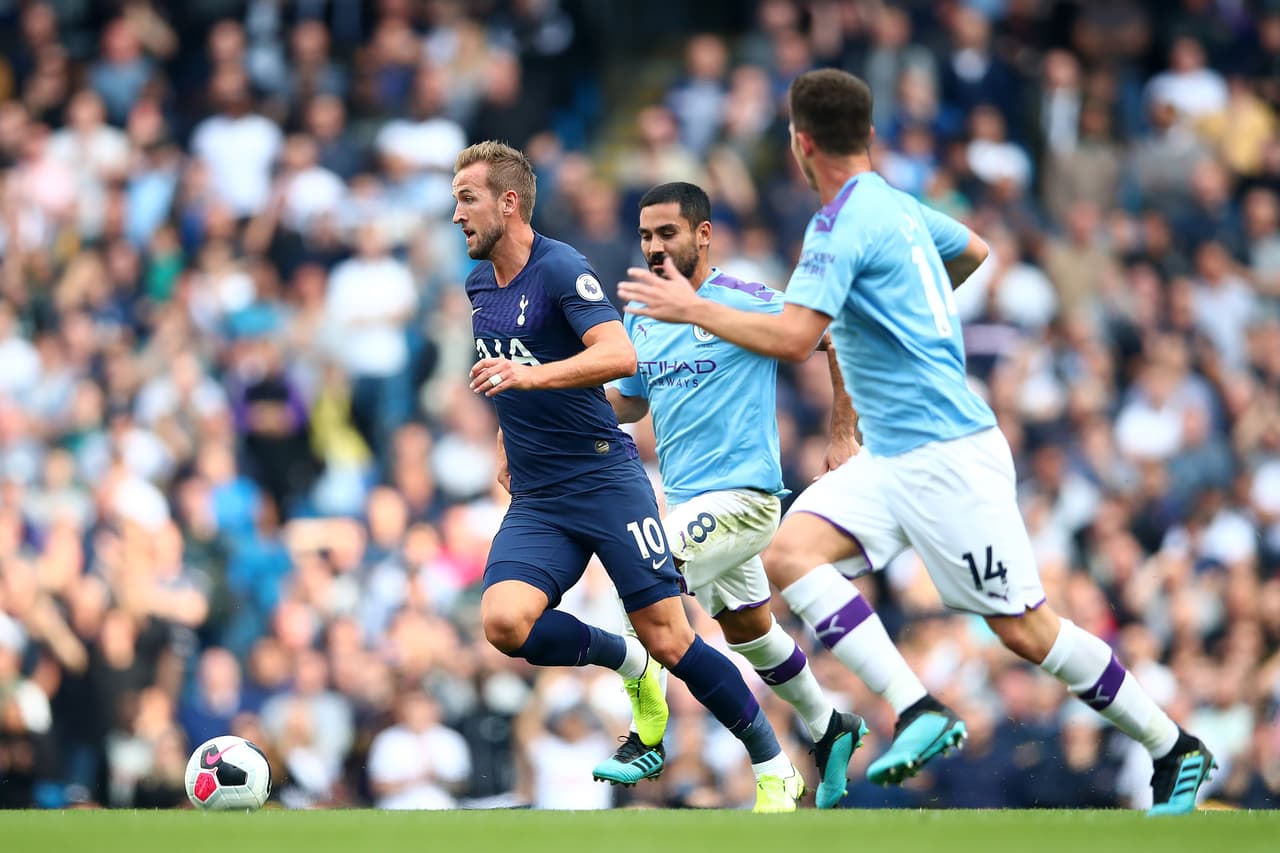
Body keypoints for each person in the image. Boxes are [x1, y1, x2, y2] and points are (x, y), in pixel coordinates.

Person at [618, 68, 1215, 816]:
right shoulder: (898, 210)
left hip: (946, 453)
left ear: (801, 145)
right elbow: (973, 249)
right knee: (789, 553)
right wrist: (905, 316)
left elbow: (799, 337)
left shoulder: (837, 225)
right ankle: (917, 708)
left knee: (1025, 629)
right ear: (866, 135)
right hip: (895, 454)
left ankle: (1171, 744)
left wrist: (691, 309)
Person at [454, 141, 803, 812]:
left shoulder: (562, 268)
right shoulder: (477, 285)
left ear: (508, 201)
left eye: (466, 199)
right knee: (504, 623)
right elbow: (514, 364)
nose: (457, 215)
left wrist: (529, 378)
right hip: (539, 496)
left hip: (603, 479)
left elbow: (616, 353)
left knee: (674, 635)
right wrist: (507, 425)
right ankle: (626, 660)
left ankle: (773, 764)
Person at [592, 180, 867, 809]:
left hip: (744, 499)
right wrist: (560, 408)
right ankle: (831, 727)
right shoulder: (644, 312)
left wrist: (842, 431)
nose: (655, 247)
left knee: (643, 581)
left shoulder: (745, 300)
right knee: (750, 634)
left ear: (703, 234)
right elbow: (632, 400)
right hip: (692, 506)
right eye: (645, 236)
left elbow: (837, 333)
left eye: (668, 233)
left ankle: (650, 736)